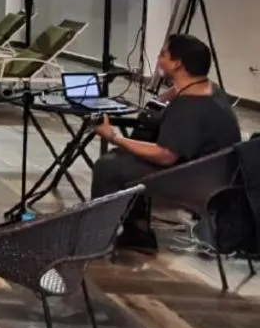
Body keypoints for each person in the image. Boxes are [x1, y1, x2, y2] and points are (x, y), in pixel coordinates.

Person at [91, 34, 241, 252]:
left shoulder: (189, 106)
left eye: (163, 55)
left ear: (177, 63)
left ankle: (95, 240)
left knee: (108, 167)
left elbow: (165, 156)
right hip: (216, 173)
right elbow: (169, 102)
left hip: (196, 182)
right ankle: (137, 229)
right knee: (130, 154)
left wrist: (113, 136)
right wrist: (169, 92)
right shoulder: (210, 90)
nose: (159, 59)